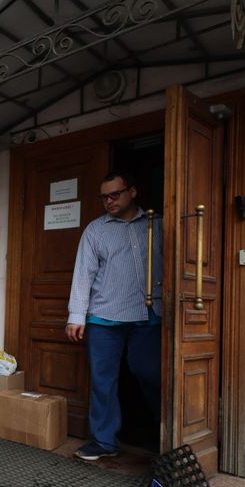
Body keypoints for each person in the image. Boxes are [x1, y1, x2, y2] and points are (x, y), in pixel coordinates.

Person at [66, 171, 162, 461]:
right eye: (104, 197)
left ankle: (167, 436)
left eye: (114, 194)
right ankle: (105, 441)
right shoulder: (96, 230)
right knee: (103, 380)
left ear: (132, 192)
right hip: (104, 316)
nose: (108, 201)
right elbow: (83, 274)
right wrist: (76, 316)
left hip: (148, 314)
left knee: (151, 374)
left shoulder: (158, 224)